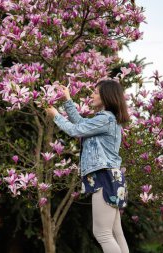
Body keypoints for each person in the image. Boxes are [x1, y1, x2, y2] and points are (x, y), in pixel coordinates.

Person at [45, 79, 130, 253]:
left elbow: (75, 130)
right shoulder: (107, 119)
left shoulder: (106, 119)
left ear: (107, 97)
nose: (92, 94)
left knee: (102, 233)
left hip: (104, 177)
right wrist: (68, 100)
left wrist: (56, 116)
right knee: (116, 231)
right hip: (112, 177)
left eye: (96, 92)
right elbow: (81, 124)